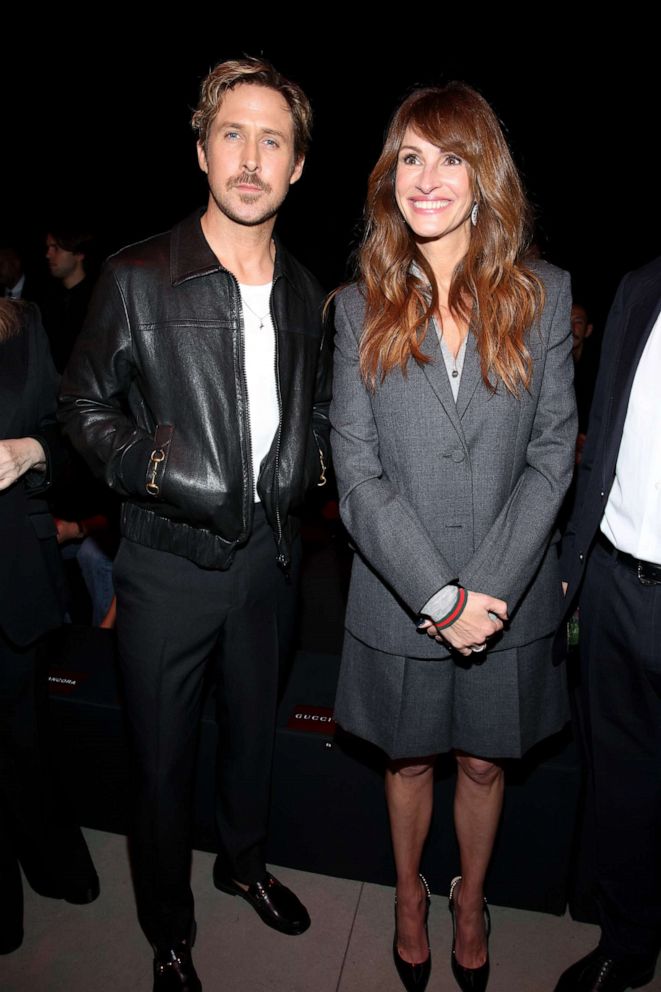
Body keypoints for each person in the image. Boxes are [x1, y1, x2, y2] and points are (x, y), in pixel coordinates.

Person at [59, 57, 330, 991]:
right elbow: (82, 408)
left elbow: (314, 415)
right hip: (166, 568)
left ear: (297, 166)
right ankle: (168, 930)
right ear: (201, 147)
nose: (250, 158)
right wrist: (164, 467)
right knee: (162, 763)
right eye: (232, 134)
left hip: (271, 564)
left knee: (252, 738)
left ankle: (244, 865)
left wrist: (317, 465)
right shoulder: (139, 274)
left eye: (273, 141)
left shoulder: (304, 292)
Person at [330, 83, 576, 992]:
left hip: (506, 592)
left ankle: (469, 901)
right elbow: (355, 475)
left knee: (480, 761)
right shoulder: (357, 308)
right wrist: (440, 598)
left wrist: (487, 595)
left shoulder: (545, 297)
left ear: (485, 176)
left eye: (451, 157)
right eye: (409, 157)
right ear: (388, 176)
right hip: (402, 593)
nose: (427, 178)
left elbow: (553, 456)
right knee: (408, 756)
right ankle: (406, 895)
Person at [555, 259, 661, 992]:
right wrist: (572, 565)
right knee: (622, 782)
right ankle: (628, 941)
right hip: (612, 581)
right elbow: (601, 432)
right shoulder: (641, 286)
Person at [0, 299, 99, 954]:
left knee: (24, 737)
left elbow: (80, 437)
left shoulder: (23, 327)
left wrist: (32, 450)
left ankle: (51, 857)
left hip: (11, 575)